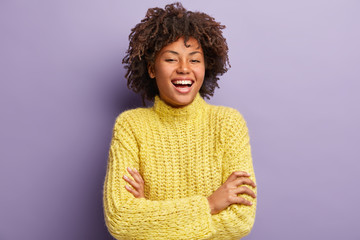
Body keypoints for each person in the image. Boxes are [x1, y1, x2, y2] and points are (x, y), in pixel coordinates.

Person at [103, 2, 257, 240]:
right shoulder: (131, 126)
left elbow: (240, 220)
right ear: (152, 68)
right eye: (171, 59)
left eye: (195, 60)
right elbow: (121, 220)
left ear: (207, 67)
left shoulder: (228, 124)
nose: (184, 69)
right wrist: (209, 204)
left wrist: (150, 217)